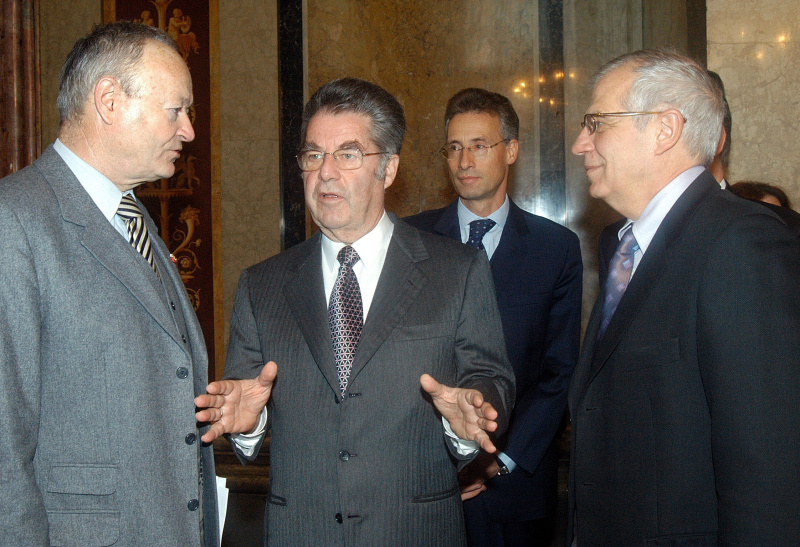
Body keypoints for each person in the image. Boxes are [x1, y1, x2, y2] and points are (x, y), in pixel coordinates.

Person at [194, 77, 515, 545]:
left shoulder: (457, 271)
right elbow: (248, 408)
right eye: (313, 155)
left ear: (388, 169)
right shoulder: (262, 285)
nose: (325, 173)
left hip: (414, 531)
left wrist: (471, 418)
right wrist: (250, 427)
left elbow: (490, 378)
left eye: (347, 154)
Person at [569, 49, 800, 545]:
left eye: (596, 122)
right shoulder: (624, 243)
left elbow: (768, 468)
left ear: (665, 129)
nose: (579, 143)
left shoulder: (740, 242)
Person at [0, 22, 218, 546]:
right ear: (109, 100)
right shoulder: (16, 221)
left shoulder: (134, 216)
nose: (188, 130)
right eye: (176, 109)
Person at [405, 88, 582, 546]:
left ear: (511, 150)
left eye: (479, 145)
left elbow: (558, 372)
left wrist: (494, 459)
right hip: (424, 483)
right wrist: (447, 460)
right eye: (454, 147)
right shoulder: (411, 239)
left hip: (513, 486)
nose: (464, 160)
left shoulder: (555, 248)